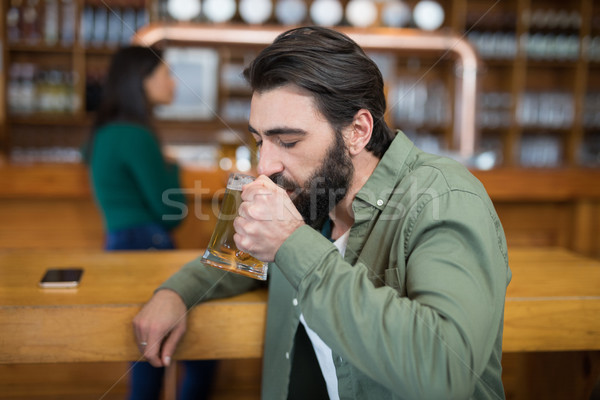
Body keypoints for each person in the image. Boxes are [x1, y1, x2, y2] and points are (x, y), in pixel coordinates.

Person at [133, 27, 511, 399]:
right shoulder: (314, 197)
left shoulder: (444, 197)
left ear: (358, 131)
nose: (265, 164)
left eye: (289, 141)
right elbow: (244, 258)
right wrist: (178, 292)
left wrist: (291, 243)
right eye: (259, 140)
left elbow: (445, 370)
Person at [85, 46, 216, 400]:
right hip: (149, 248)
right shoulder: (137, 135)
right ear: (141, 81)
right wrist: (173, 167)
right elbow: (170, 214)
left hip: (117, 248)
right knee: (199, 356)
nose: (173, 82)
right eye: (166, 74)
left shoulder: (105, 132)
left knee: (147, 355)